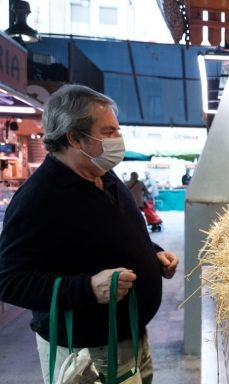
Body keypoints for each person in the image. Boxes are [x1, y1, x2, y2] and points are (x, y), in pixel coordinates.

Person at [0, 85, 178, 383]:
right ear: (74, 137)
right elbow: (8, 280)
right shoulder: (39, 197)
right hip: (85, 355)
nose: (117, 140)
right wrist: (87, 288)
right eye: (108, 132)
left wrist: (153, 253)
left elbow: (118, 234)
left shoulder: (104, 176)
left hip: (129, 338)